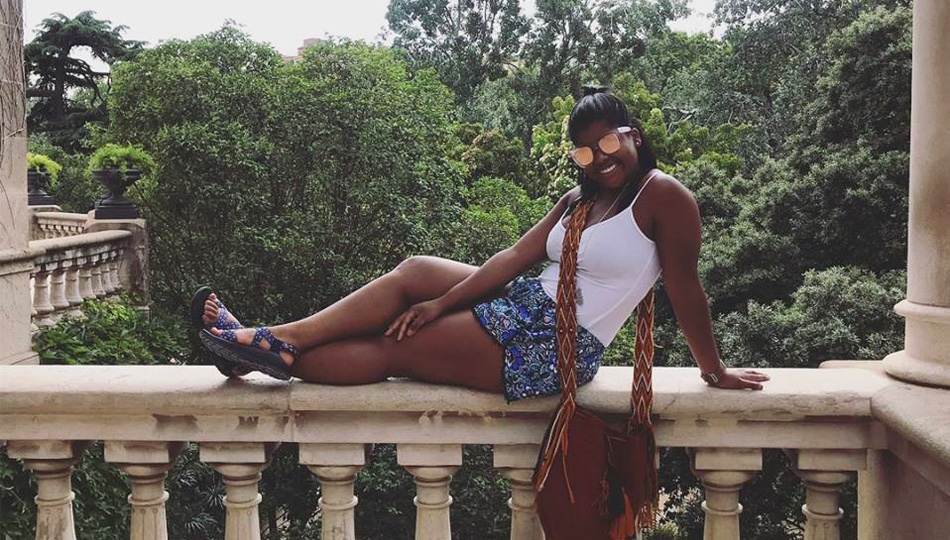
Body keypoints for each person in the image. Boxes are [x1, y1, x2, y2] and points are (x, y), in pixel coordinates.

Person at [197, 86, 769, 399]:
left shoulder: (665, 197)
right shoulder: (578, 201)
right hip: (527, 306)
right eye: (584, 153)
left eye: (607, 143)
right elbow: (517, 257)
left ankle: (267, 348)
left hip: (560, 346)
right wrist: (442, 300)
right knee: (416, 273)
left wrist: (713, 370)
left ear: (633, 136)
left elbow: (686, 289)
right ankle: (272, 341)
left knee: (399, 347)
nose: (599, 159)